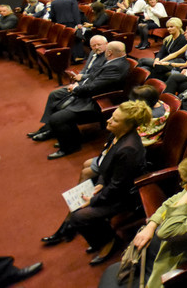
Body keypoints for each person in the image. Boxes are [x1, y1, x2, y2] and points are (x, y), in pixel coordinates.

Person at [97, 152, 187, 288]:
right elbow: (169, 203)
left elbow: (166, 231)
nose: (182, 186)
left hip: (171, 261)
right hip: (158, 248)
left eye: (184, 182)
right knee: (113, 272)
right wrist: (151, 225)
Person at [42, 101, 150, 265]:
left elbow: (118, 188)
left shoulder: (129, 149)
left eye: (115, 120)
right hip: (110, 185)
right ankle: (73, 228)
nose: (108, 121)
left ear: (128, 126)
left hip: (125, 196)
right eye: (112, 117)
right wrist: (100, 183)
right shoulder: (116, 135)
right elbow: (103, 163)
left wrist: (94, 200)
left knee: (78, 217)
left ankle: (110, 241)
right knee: (78, 201)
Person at [31, 41, 130, 159]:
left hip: (99, 101)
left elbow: (95, 87)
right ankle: (64, 135)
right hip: (92, 94)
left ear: (109, 53)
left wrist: (76, 89)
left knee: (57, 118)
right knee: (57, 103)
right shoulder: (116, 62)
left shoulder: (115, 66)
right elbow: (95, 78)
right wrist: (79, 85)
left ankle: (71, 147)